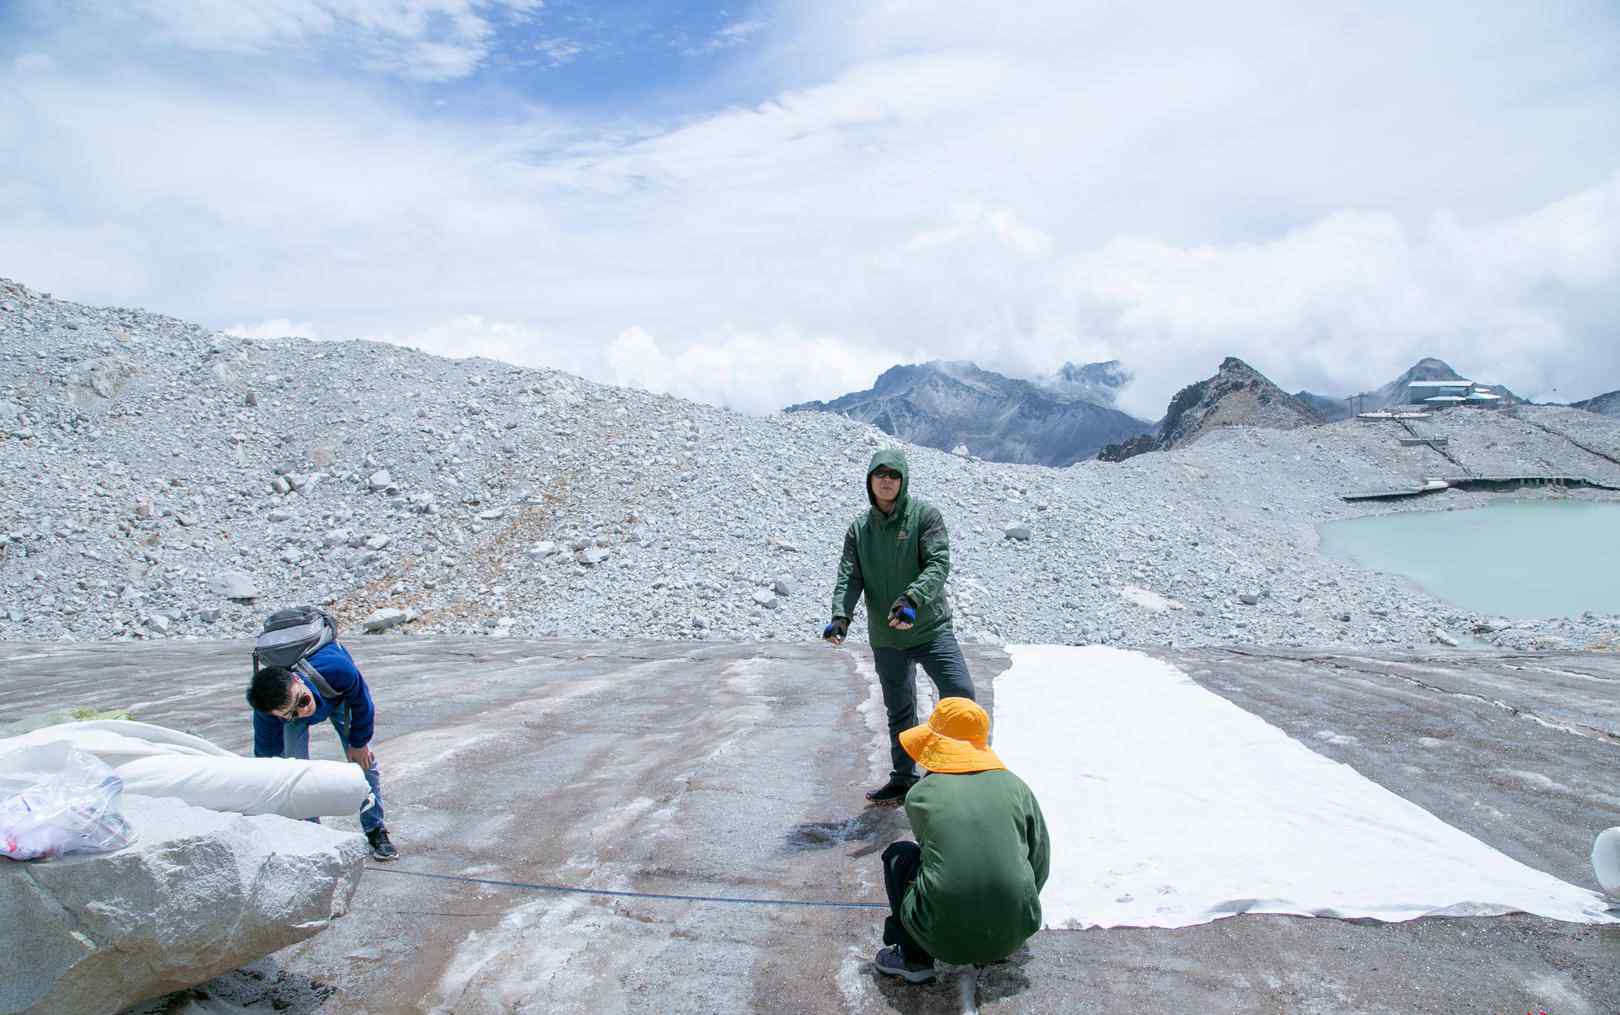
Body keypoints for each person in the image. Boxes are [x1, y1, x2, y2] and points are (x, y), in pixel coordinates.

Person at [824, 448, 976, 805]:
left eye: (894, 474)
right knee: (899, 708)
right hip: (887, 635)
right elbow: (849, 576)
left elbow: (938, 563)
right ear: (870, 480)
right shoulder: (859, 530)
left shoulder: (925, 516)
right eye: (881, 473)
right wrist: (840, 616)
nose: (887, 480)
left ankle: (950, 770)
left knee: (959, 693)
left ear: (903, 479)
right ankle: (904, 778)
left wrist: (912, 599)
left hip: (929, 627)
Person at [874, 697, 1049, 983]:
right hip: (1013, 931)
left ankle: (913, 959)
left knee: (900, 855)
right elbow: (1040, 861)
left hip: (945, 937)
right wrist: (1013, 910)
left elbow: (937, 860)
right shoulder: (1018, 787)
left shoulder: (920, 795)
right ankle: (993, 940)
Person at [246, 640, 398, 861]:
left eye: (303, 700)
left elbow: (362, 702)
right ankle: (312, 834)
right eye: (292, 713)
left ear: (297, 679)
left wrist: (359, 742)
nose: (304, 710)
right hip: (300, 703)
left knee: (365, 765)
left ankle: (375, 830)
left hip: (336, 698)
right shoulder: (269, 711)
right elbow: (267, 756)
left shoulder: (337, 669)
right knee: (294, 775)